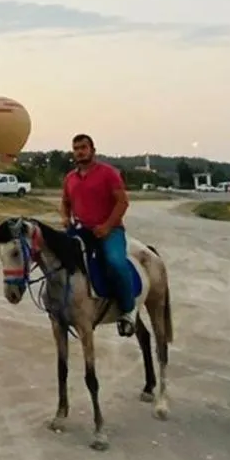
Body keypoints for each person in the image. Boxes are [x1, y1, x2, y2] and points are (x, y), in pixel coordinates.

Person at [60, 133, 136, 337]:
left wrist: (108, 226)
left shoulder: (108, 173)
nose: (79, 152)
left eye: (83, 147)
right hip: (80, 230)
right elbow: (65, 203)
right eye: (76, 148)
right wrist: (66, 218)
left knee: (115, 262)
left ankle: (128, 310)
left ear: (92, 150)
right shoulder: (70, 178)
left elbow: (123, 202)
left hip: (109, 230)